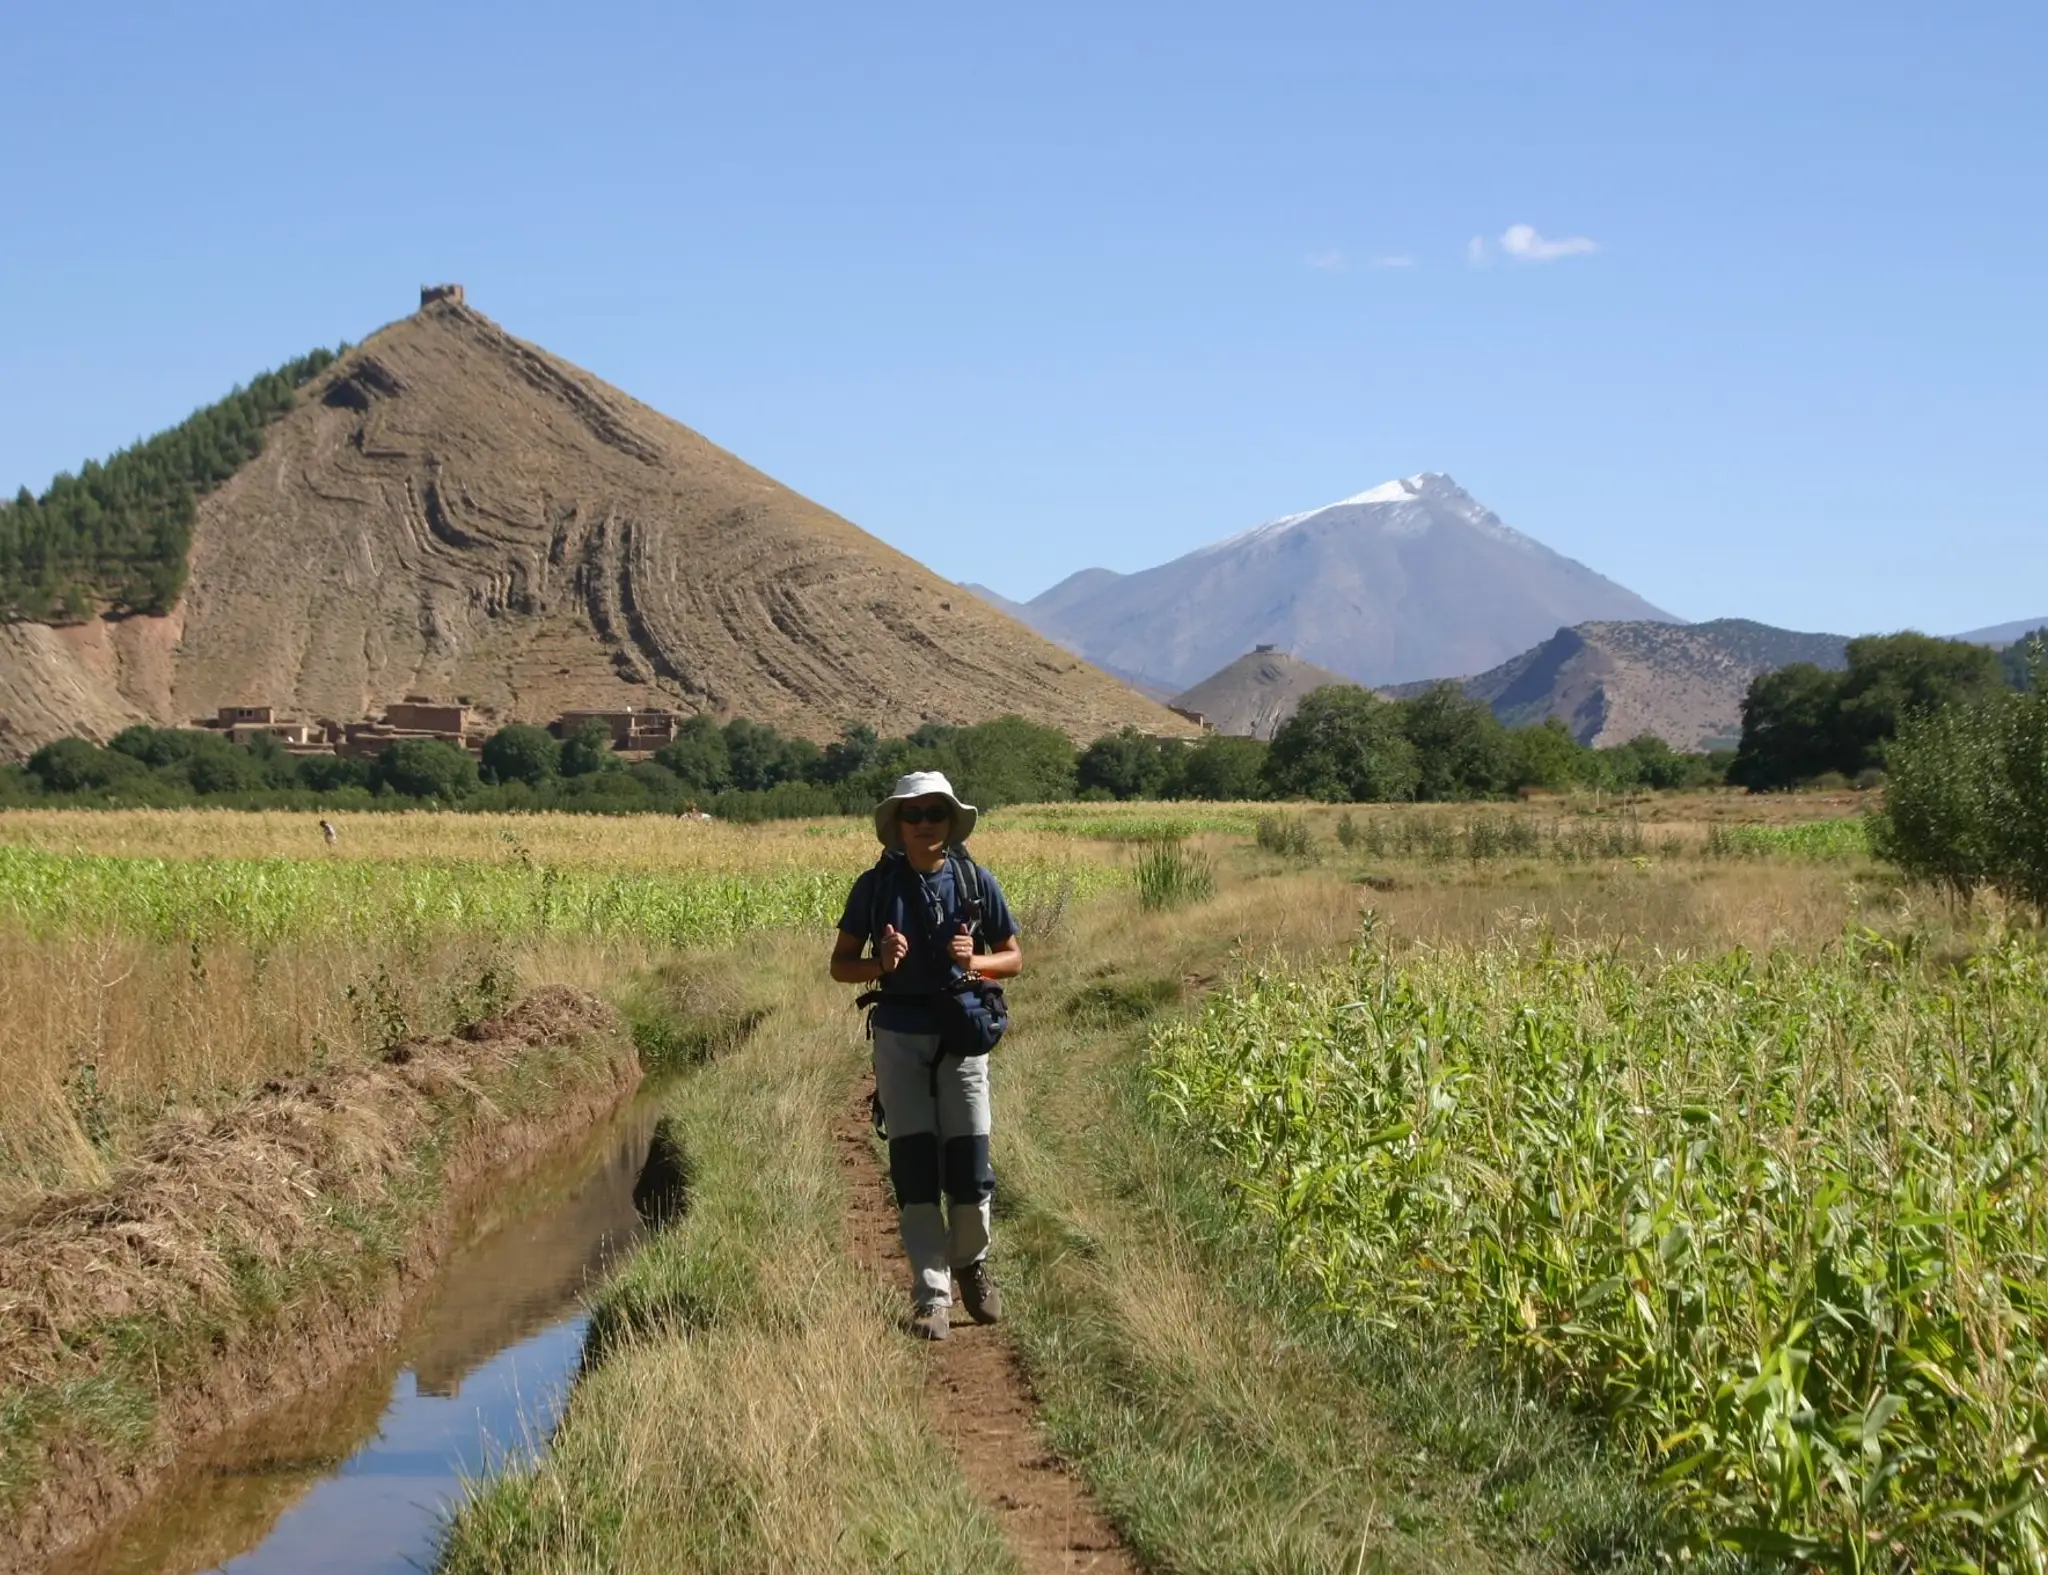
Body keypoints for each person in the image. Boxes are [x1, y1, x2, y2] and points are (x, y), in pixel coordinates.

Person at [830, 771, 1022, 1341]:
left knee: (970, 1167)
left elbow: (1012, 957)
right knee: (914, 1171)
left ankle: (970, 1264)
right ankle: (931, 1295)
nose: (924, 824)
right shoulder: (874, 887)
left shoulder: (975, 880)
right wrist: (882, 964)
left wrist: (973, 962)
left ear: (950, 822)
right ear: (898, 825)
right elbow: (841, 966)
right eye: (912, 815)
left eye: (935, 813)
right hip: (899, 1036)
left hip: (962, 1037)